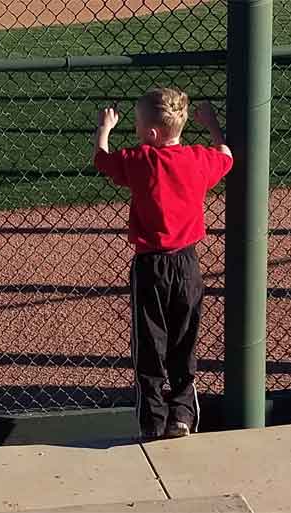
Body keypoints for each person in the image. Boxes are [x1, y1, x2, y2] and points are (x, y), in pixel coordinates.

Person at [92, 87, 232, 440]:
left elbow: (102, 160)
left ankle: (153, 419)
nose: (137, 131)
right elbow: (226, 157)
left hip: (149, 266)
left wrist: (104, 129)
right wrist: (213, 125)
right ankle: (182, 412)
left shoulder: (140, 160)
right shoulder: (199, 160)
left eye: (139, 125)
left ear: (151, 134)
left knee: (150, 343)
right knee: (184, 340)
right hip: (187, 266)